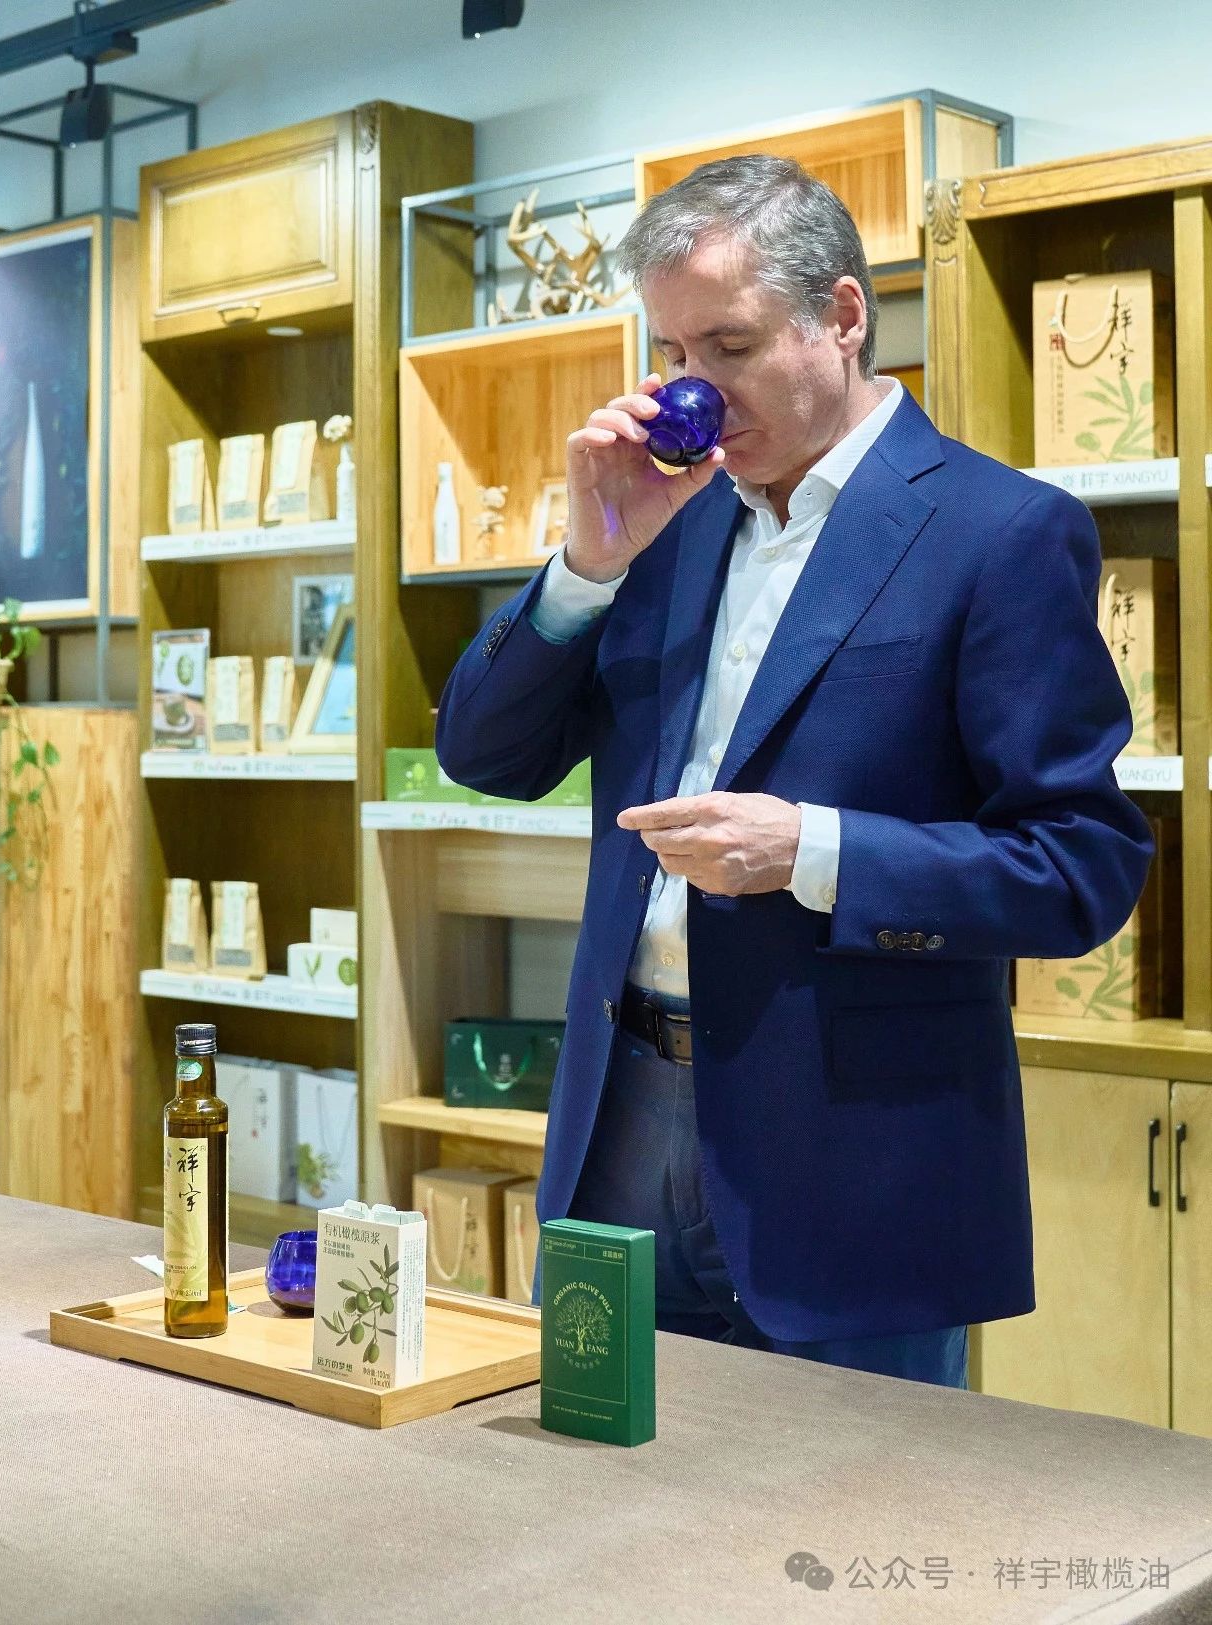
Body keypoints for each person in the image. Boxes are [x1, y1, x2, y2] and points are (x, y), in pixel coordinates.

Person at [435, 155, 1152, 1388]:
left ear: (841, 314)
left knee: (842, 1506)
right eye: (671, 352)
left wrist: (811, 851)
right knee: (596, 1496)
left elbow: (1077, 867)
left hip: (853, 1163)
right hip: (619, 1118)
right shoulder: (659, 522)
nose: (691, 393)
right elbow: (483, 755)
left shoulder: (998, 530)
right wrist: (584, 567)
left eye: (729, 345)